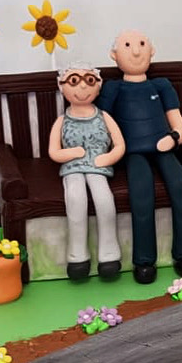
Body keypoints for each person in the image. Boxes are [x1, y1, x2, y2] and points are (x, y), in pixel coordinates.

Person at [98, 30, 182, 284]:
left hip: (163, 147)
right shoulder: (113, 88)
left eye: (142, 44)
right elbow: (102, 123)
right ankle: (144, 261)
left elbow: (180, 126)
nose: (135, 51)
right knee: (141, 192)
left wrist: (173, 138)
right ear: (114, 55)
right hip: (131, 152)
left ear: (151, 51)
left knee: (180, 185)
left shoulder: (161, 85)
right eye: (127, 45)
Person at [48, 64, 126, 280]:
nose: (82, 86)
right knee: (75, 198)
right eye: (74, 81)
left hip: (98, 166)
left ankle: (109, 255)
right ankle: (77, 256)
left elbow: (119, 144)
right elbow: (54, 151)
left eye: (89, 80)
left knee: (104, 199)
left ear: (98, 86)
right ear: (62, 86)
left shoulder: (104, 117)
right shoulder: (62, 120)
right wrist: (72, 153)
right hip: (72, 167)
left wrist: (108, 157)